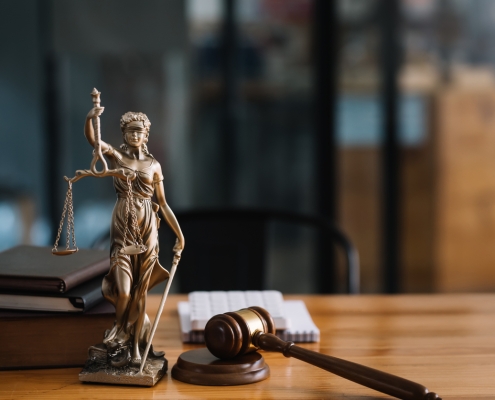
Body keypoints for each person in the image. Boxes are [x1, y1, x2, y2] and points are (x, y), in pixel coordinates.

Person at [84, 106, 184, 366]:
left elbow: (162, 203)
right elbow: (95, 142)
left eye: (139, 131)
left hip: (148, 228)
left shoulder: (154, 166)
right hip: (122, 227)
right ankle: (120, 331)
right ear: (124, 134)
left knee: (141, 293)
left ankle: (137, 351)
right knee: (125, 292)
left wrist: (180, 235)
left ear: (146, 135)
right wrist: (90, 118)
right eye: (129, 132)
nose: (134, 136)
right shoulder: (118, 157)